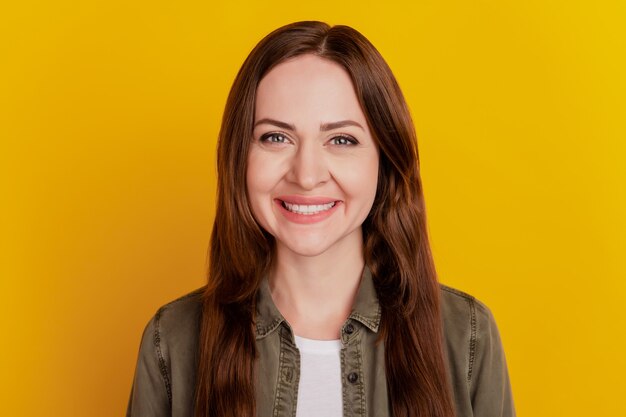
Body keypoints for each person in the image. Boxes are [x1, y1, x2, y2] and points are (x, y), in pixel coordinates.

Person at [126, 21, 515, 417]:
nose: (307, 175)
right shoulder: (171, 341)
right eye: (276, 137)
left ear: (384, 161)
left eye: (341, 139)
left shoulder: (467, 336)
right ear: (239, 156)